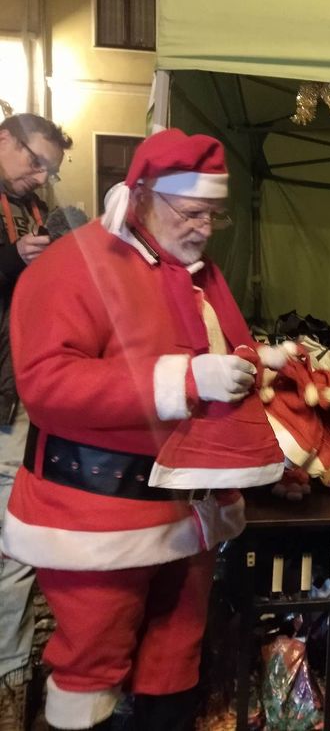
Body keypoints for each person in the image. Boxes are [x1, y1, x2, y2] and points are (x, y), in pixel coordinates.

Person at [0, 128, 288, 731]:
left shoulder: (195, 270)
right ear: (144, 196)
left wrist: (262, 362)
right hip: (97, 517)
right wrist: (182, 381)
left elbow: (215, 351)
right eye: (192, 213)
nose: (206, 229)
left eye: (215, 216)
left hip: (189, 516)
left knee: (174, 662)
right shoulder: (72, 266)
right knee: (90, 668)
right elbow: (48, 384)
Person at [0, 112, 71, 728]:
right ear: (5, 139)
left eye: (49, 167)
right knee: (12, 554)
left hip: (19, 400)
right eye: (33, 160)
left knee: (15, 550)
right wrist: (11, 260)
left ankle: (14, 681)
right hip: (5, 404)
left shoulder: (37, 209)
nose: (40, 174)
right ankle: (10, 685)